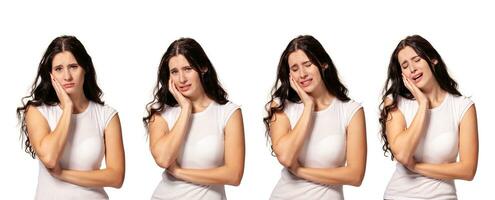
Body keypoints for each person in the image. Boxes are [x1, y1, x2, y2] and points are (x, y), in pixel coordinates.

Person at [17, 35, 125, 199]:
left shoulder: (106, 115)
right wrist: (67, 108)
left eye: (73, 66)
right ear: (51, 74)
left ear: (85, 68)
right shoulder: (37, 111)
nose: (67, 76)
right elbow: (49, 158)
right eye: (59, 69)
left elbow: (116, 177)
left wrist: (63, 175)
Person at [264, 35, 367, 200]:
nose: (302, 74)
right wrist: (309, 107)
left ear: (323, 65)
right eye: (295, 69)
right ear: (290, 75)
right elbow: (285, 157)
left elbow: (355, 176)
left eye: (307, 65)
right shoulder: (280, 107)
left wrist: (301, 171)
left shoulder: (350, 111)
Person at [143, 38, 245, 200]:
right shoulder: (160, 113)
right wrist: (185, 109)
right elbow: (163, 159)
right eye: (174, 72)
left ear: (203, 68)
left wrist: (179, 172)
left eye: (188, 69)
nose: (181, 79)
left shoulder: (228, 113)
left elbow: (234, 175)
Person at [379, 35, 478, 199]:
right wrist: (423, 104)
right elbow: (403, 155)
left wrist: (417, 167)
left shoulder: (463, 107)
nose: (412, 69)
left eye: (416, 60)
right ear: (402, 74)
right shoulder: (395, 103)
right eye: (405, 65)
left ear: (433, 60)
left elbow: (468, 170)